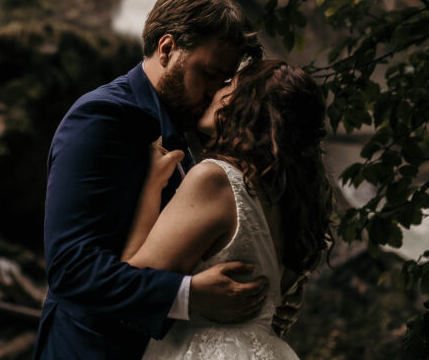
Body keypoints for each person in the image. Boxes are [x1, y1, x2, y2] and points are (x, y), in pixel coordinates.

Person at [34, 0, 273, 360]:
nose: (216, 93)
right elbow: (71, 268)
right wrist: (189, 296)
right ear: (167, 49)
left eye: (224, 81)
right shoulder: (102, 119)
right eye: (208, 74)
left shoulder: (187, 125)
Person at [125, 59, 334, 359]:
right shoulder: (295, 205)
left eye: (229, 86)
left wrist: (150, 188)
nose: (216, 92)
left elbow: (133, 282)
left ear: (247, 104)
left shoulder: (216, 179)